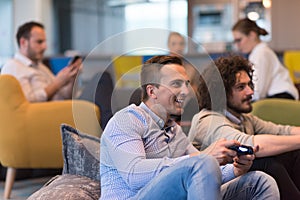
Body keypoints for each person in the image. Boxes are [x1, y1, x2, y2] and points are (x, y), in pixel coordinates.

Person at [100, 55, 279, 200]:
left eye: (186, 83)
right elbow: (134, 175)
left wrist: (235, 169)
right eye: (176, 84)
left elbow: (203, 173)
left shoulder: (173, 129)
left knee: (260, 182)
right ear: (152, 91)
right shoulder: (126, 121)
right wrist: (205, 156)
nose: (186, 91)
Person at [189, 54, 300, 200]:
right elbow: (251, 145)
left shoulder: (244, 118)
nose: (251, 92)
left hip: (239, 180)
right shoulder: (207, 120)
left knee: (293, 153)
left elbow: (282, 131)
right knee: (267, 164)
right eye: (241, 87)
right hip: (213, 189)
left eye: (250, 85)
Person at [1, 21, 113, 129]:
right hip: (48, 114)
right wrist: (57, 83)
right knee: (101, 79)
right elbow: (27, 102)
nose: (44, 47)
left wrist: (71, 77)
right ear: (23, 42)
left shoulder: (40, 67)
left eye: (45, 42)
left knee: (103, 82)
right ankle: (111, 130)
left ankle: (112, 128)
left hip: (61, 107)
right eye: (39, 42)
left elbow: (65, 96)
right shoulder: (13, 67)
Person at [232, 18, 299, 101]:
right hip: (279, 96)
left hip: (282, 96)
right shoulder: (258, 53)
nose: (237, 45)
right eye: (235, 41)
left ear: (252, 35)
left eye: (239, 40)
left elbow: (257, 92)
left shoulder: (261, 53)